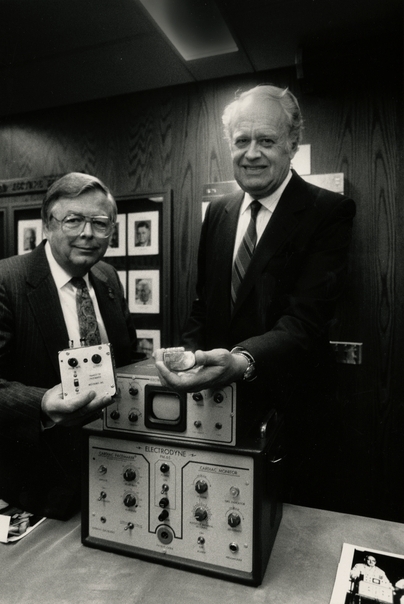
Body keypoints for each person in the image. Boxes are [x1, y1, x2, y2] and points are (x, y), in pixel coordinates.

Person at [154, 85, 356, 503]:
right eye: (242, 141)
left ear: (292, 144)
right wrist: (188, 360)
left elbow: (305, 321)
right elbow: (202, 305)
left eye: (266, 140)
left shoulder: (328, 212)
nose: (252, 153)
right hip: (215, 408)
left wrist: (242, 360)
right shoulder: (219, 213)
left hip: (293, 415)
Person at [0, 172, 138, 519]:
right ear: (48, 224)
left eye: (100, 223)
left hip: (112, 471)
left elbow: (127, 356)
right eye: (73, 220)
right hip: (33, 487)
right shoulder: (7, 282)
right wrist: (44, 402)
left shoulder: (108, 278)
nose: (87, 233)